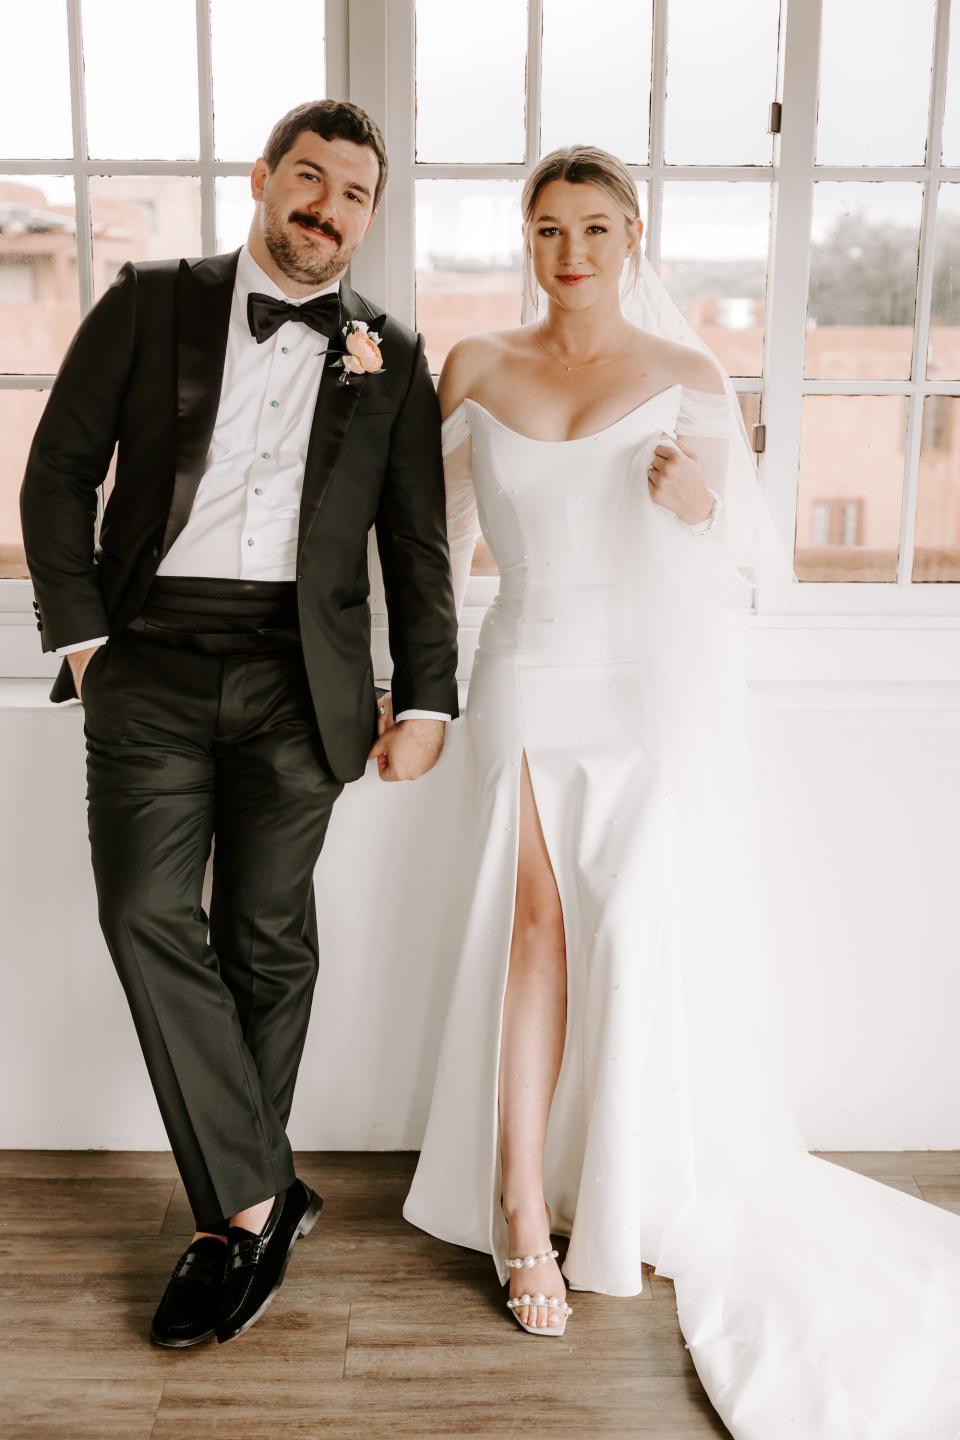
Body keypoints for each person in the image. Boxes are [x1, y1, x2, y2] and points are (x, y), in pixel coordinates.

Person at [401, 146, 960, 1435]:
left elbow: (749, 567)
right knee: (532, 930)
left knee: (629, 944)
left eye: (595, 228)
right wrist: (407, 688)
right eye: (548, 229)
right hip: (530, 674)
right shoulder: (477, 367)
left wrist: (706, 506)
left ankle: (629, 1191)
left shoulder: (690, 375)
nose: (572, 253)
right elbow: (436, 550)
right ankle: (524, 1217)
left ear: (634, 237)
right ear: (526, 241)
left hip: (644, 697)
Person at [20, 99, 459, 1348]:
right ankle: (263, 1194)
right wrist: (85, 639)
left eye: (354, 195)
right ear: (266, 180)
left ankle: (229, 1228)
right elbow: (58, 469)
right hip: (147, 654)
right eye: (308, 180)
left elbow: (417, 547)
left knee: (266, 937)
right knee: (143, 910)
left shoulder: (392, 353)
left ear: (370, 215)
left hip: (302, 671)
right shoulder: (150, 300)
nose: (326, 209)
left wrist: (426, 695)